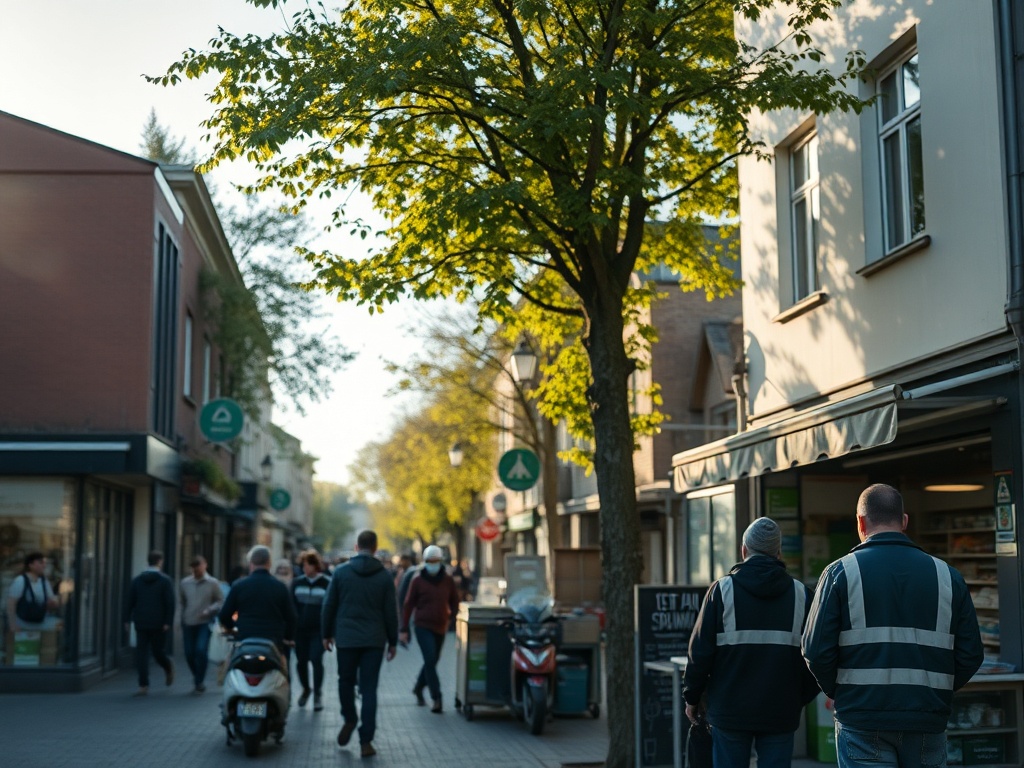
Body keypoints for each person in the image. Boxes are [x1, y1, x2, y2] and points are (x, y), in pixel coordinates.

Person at [802, 484, 985, 768]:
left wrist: (843, 692)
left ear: (860, 522)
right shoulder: (948, 576)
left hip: (862, 718)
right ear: (904, 521)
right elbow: (971, 654)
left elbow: (815, 651)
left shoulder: (840, 573)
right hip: (927, 716)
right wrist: (934, 692)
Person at [682, 518, 820, 768]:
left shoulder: (721, 591)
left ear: (744, 550)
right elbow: (817, 655)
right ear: (778, 553)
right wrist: (797, 698)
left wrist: (692, 698)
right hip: (780, 712)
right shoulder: (801, 595)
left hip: (729, 712)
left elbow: (700, 653)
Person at [321, 529, 398, 759]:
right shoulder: (384, 576)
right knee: (369, 689)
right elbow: (391, 612)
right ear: (375, 548)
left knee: (345, 681)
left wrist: (326, 634)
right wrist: (393, 641)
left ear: (356, 547)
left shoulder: (340, 572)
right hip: (374, 640)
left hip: (346, 639)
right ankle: (366, 741)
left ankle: (349, 718)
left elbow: (329, 605)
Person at [399, 544, 460, 713]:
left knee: (432, 661)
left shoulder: (447, 580)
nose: (433, 564)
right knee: (430, 659)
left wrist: (453, 618)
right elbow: (408, 605)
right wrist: (404, 628)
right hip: (422, 626)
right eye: (429, 561)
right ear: (425, 561)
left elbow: (455, 601)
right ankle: (437, 697)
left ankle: (418, 687)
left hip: (440, 626)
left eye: (435, 561)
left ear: (440, 561)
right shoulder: (417, 580)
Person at [218, 545, 297, 653]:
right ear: (269, 563)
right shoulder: (280, 587)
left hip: (245, 637)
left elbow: (224, 615)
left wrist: (231, 628)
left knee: (228, 661)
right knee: (282, 661)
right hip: (273, 640)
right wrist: (287, 637)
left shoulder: (239, 586)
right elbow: (291, 617)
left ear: (250, 563)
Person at [125, 550, 176, 697]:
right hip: (159, 623)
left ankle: (143, 685)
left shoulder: (137, 580)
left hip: (141, 621)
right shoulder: (165, 581)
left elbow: (130, 601)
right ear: (160, 562)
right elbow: (170, 602)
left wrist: (126, 619)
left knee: (141, 654)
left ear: (148, 562)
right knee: (158, 651)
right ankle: (167, 666)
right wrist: (168, 621)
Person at [292, 548, 331, 711]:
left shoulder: (326, 583)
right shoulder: (297, 583)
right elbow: (291, 605)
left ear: (315, 565)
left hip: (318, 631)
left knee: (316, 659)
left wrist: (330, 632)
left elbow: (330, 607)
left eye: (307, 565)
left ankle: (317, 694)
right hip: (300, 631)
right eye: (303, 565)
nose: (305, 568)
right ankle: (306, 689)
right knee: (301, 662)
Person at [178, 555, 223, 694]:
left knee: (201, 650)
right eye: (194, 569)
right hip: (188, 621)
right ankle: (196, 675)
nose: (197, 571)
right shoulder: (185, 583)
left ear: (205, 566)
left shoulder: (213, 583)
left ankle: (199, 681)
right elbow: (181, 602)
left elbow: (220, 600)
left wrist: (209, 610)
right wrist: (179, 619)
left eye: (199, 567)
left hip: (204, 622)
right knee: (189, 653)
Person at [6, 551, 59, 634]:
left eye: (44, 563)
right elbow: (11, 603)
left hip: (40, 619)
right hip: (23, 621)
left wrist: (53, 603)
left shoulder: (44, 582)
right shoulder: (20, 581)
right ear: (31, 565)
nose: (44, 566)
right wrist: (12, 624)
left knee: (60, 625)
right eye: (41, 562)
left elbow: (52, 601)